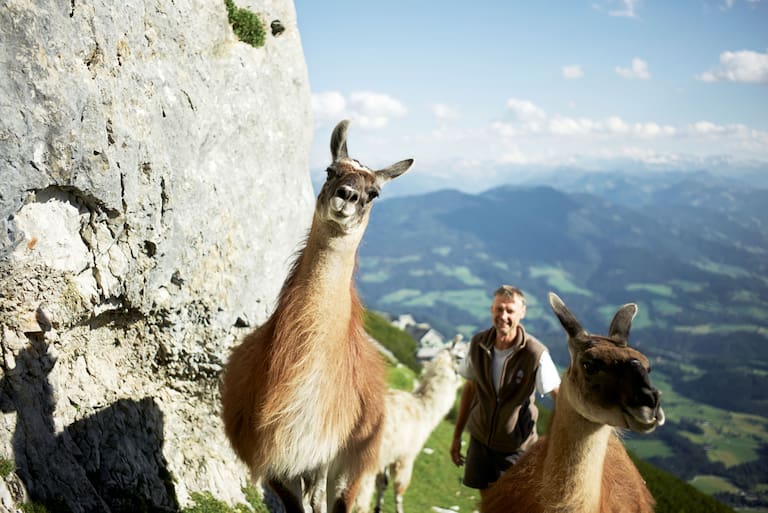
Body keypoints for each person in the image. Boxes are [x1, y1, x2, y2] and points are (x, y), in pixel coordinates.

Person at [450, 285, 560, 497]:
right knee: (486, 501)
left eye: (510, 311)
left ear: (522, 313)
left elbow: (560, 398)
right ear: (491, 310)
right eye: (499, 309)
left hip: (515, 449)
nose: (503, 316)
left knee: (510, 505)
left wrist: (552, 448)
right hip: (481, 440)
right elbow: (470, 388)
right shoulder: (478, 344)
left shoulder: (535, 354)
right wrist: (456, 437)